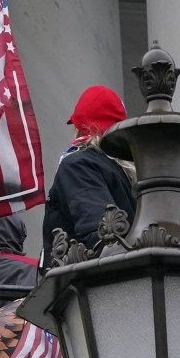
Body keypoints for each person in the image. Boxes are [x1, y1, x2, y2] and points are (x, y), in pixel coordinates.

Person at [40, 85, 134, 253]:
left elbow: (102, 236)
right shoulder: (127, 170)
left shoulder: (78, 165)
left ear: (79, 127)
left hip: (90, 269)